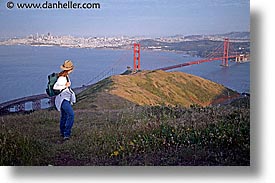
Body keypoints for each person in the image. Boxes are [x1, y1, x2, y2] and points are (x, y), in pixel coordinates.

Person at [53, 60, 76, 140]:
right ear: (70, 69)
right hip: (63, 99)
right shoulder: (62, 78)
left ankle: (63, 133)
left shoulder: (65, 76)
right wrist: (65, 86)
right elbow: (55, 87)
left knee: (64, 116)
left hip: (64, 98)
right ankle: (67, 134)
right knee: (71, 115)